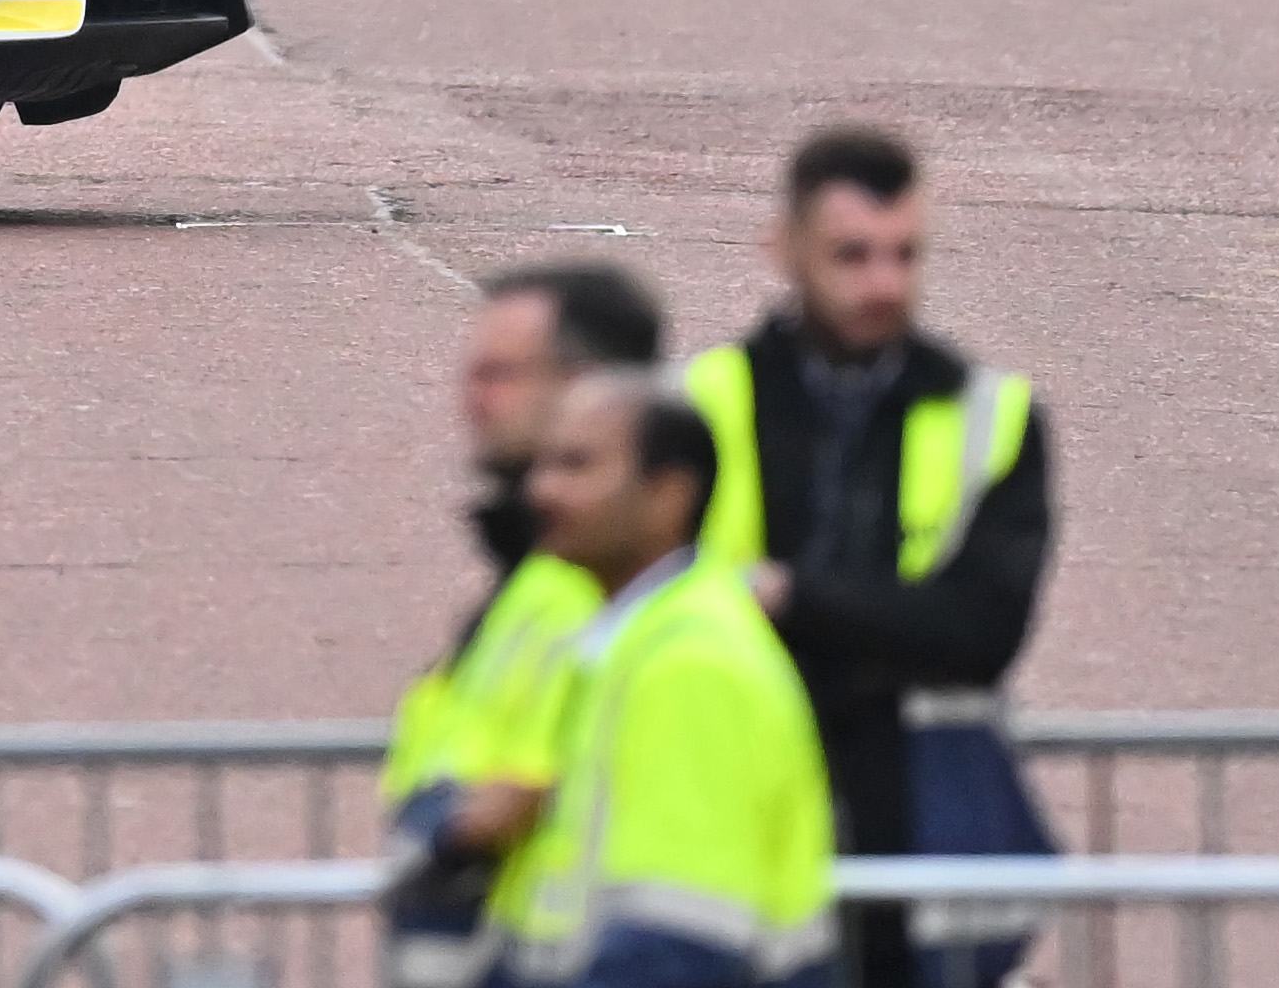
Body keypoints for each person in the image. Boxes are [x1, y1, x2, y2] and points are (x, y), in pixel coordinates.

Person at [674, 129, 1053, 982]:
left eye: (905, 254)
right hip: (733, 820)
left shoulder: (995, 420)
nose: (884, 283)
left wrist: (783, 597)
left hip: (915, 826)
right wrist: (888, 623)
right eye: (852, 255)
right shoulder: (693, 409)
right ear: (783, 249)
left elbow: (981, 632)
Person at [437, 365, 837, 988]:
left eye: (577, 467)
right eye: (545, 465)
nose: (542, 490)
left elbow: (677, 942)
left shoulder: (692, 664)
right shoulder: (628, 643)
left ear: (669, 496)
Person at [377, 262, 673, 927]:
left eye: (501, 376)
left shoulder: (597, 587)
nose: (473, 399)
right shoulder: (542, 571)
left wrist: (455, 832)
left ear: (584, 391)